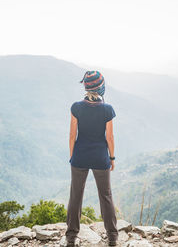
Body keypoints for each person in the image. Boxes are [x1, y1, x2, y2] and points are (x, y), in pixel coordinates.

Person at [65, 70, 118, 246]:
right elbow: (109, 138)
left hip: (79, 157)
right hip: (100, 158)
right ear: (101, 87)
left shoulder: (76, 107)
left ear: (86, 87)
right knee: (106, 196)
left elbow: (72, 135)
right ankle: (112, 237)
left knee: (75, 196)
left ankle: (71, 236)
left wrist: (73, 156)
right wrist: (112, 157)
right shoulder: (107, 109)